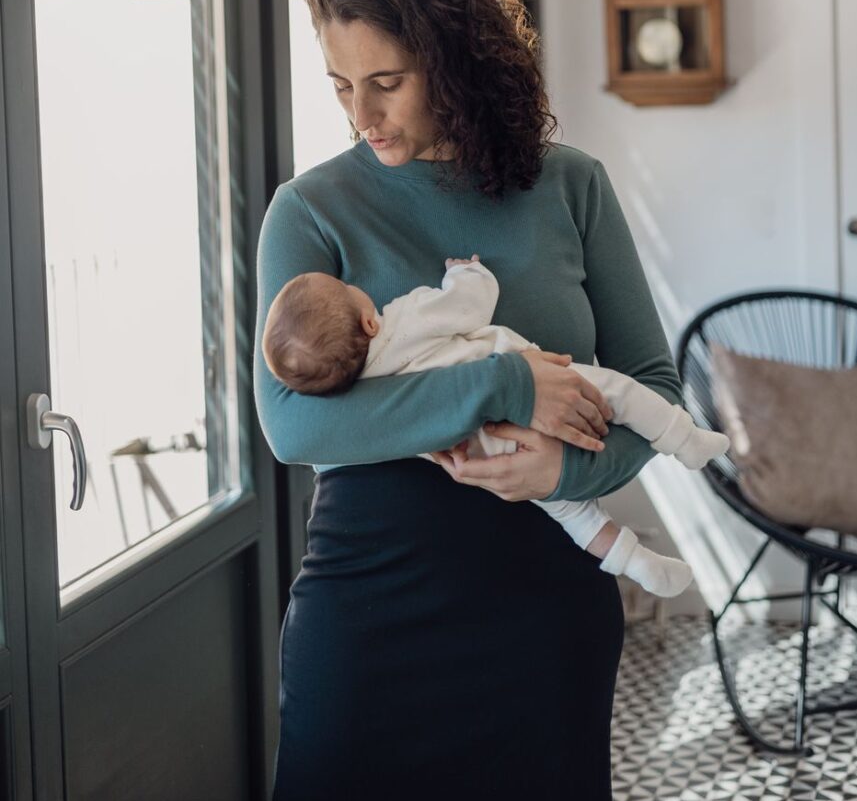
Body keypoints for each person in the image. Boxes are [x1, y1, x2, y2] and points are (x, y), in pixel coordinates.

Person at [254, 0, 688, 801]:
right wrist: (500, 384)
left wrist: (567, 470)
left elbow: (653, 385)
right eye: (340, 86)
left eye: (387, 81)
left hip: (542, 611)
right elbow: (291, 424)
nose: (362, 116)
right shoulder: (310, 210)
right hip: (372, 609)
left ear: (454, 63)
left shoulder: (573, 187)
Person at [261, 252, 729, 597]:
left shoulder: (359, 393)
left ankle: (637, 562)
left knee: (570, 510)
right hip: (539, 386)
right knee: (616, 392)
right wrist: (466, 272)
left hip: (486, 455)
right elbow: (470, 305)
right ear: (368, 322)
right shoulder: (403, 318)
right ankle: (682, 439)